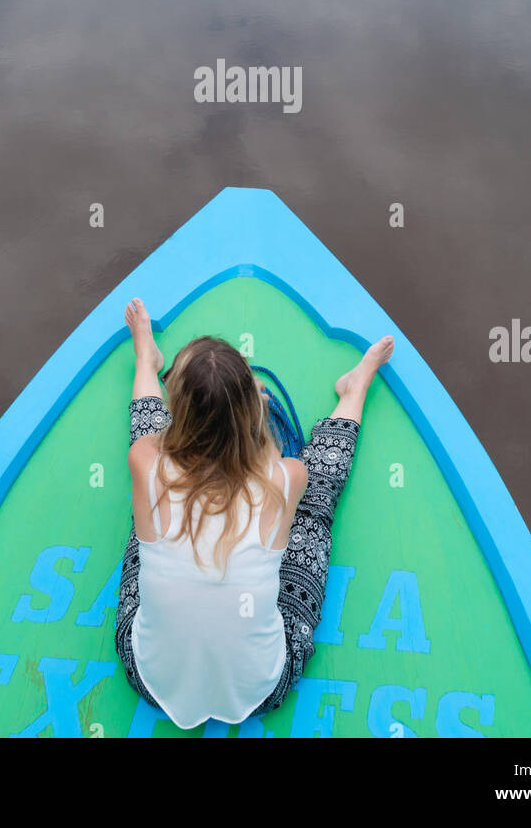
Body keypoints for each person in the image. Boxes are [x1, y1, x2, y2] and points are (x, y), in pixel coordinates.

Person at [114, 296, 394, 729]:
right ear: (250, 411)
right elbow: (285, 467)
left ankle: (146, 363)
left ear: (180, 412)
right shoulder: (283, 480)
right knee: (313, 513)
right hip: (263, 688)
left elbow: (156, 437)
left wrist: (209, 410)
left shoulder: (144, 461)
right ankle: (353, 392)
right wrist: (254, 414)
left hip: (149, 678)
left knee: (143, 524)